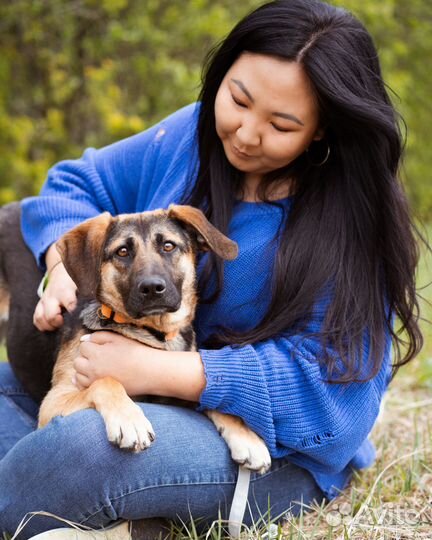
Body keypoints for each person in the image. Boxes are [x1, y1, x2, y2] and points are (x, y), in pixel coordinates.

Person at [0, 0, 423, 537]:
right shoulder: (192, 136)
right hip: (135, 398)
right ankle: (110, 516)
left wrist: (162, 372)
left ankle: (76, 500)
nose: (245, 134)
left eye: (282, 124)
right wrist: (62, 265)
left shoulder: (348, 227)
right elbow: (74, 184)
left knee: (80, 449)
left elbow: (333, 399)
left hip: (270, 451)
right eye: (238, 99)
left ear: (321, 130)